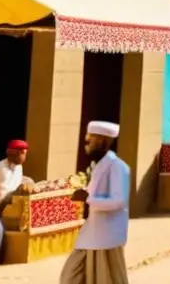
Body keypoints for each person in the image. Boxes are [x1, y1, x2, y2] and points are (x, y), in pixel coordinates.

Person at [60, 122, 131, 284]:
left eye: (89, 141)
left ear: (100, 141)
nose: (86, 145)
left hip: (108, 234)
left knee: (108, 278)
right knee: (71, 275)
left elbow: (118, 201)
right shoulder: (97, 165)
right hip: (92, 231)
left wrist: (87, 198)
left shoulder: (118, 167)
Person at [0, 140, 33, 265]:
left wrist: (29, 182)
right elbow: (4, 194)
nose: (24, 157)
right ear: (11, 154)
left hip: (7, 208)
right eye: (22, 153)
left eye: (25, 153)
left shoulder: (18, 166)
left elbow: (19, 181)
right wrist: (20, 189)